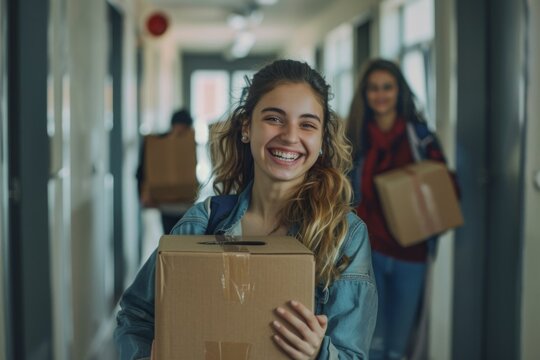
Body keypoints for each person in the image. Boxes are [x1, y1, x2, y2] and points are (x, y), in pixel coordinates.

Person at [116, 59, 377, 359]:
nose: (291, 136)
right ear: (246, 128)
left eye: (307, 124)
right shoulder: (203, 224)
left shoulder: (345, 236)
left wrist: (320, 353)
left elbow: (353, 354)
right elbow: (135, 316)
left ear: (321, 141)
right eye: (274, 118)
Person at [346, 58, 455, 360]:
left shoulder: (420, 137)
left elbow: (445, 189)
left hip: (412, 253)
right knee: (370, 340)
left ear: (399, 91)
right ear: (364, 94)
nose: (380, 94)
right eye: (373, 88)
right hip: (369, 253)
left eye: (388, 87)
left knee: (400, 345)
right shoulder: (355, 138)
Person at [136, 108, 195, 234]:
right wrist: (143, 194)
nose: (181, 132)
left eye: (185, 129)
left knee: (185, 239)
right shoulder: (158, 144)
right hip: (166, 205)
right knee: (170, 237)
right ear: (173, 125)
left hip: (187, 203)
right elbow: (142, 170)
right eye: (180, 127)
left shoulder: (189, 143)